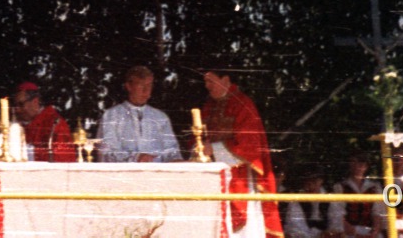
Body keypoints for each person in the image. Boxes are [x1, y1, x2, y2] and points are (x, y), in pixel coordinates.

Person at [202, 69, 283, 238]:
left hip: (241, 177)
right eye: (205, 81)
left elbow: (250, 148)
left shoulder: (242, 104)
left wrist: (214, 150)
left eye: (211, 81)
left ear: (225, 80)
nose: (207, 86)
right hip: (213, 177)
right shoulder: (209, 106)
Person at [98, 65, 182, 163]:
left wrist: (176, 160)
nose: (146, 91)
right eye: (141, 86)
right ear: (129, 86)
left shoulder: (161, 117)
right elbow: (106, 152)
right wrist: (136, 157)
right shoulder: (111, 115)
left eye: (149, 86)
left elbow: (172, 150)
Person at [12, 80, 74, 163]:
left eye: (21, 104)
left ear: (35, 102)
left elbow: (63, 159)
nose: (17, 110)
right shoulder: (17, 127)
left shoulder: (54, 124)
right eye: (15, 105)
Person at [335, 153, 383, 238]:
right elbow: (338, 214)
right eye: (354, 162)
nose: (358, 166)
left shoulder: (374, 187)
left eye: (361, 163)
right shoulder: (341, 187)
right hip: (349, 232)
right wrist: (355, 234)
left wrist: (374, 233)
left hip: (370, 231)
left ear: (366, 166)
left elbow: (377, 213)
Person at [283, 172, 337, 238]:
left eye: (314, 181)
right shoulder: (296, 201)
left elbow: (336, 226)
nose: (311, 186)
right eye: (308, 182)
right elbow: (295, 228)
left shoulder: (331, 200)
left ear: (321, 181)